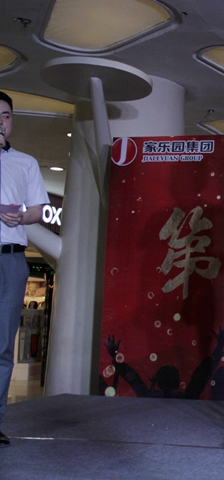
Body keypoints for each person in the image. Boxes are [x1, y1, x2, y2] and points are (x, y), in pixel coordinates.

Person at [0, 91, 50, 448]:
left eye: (5, 116)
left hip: (12, 258)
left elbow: (38, 210)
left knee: (4, 344)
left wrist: (22, 216)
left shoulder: (25, 162)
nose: (0, 122)